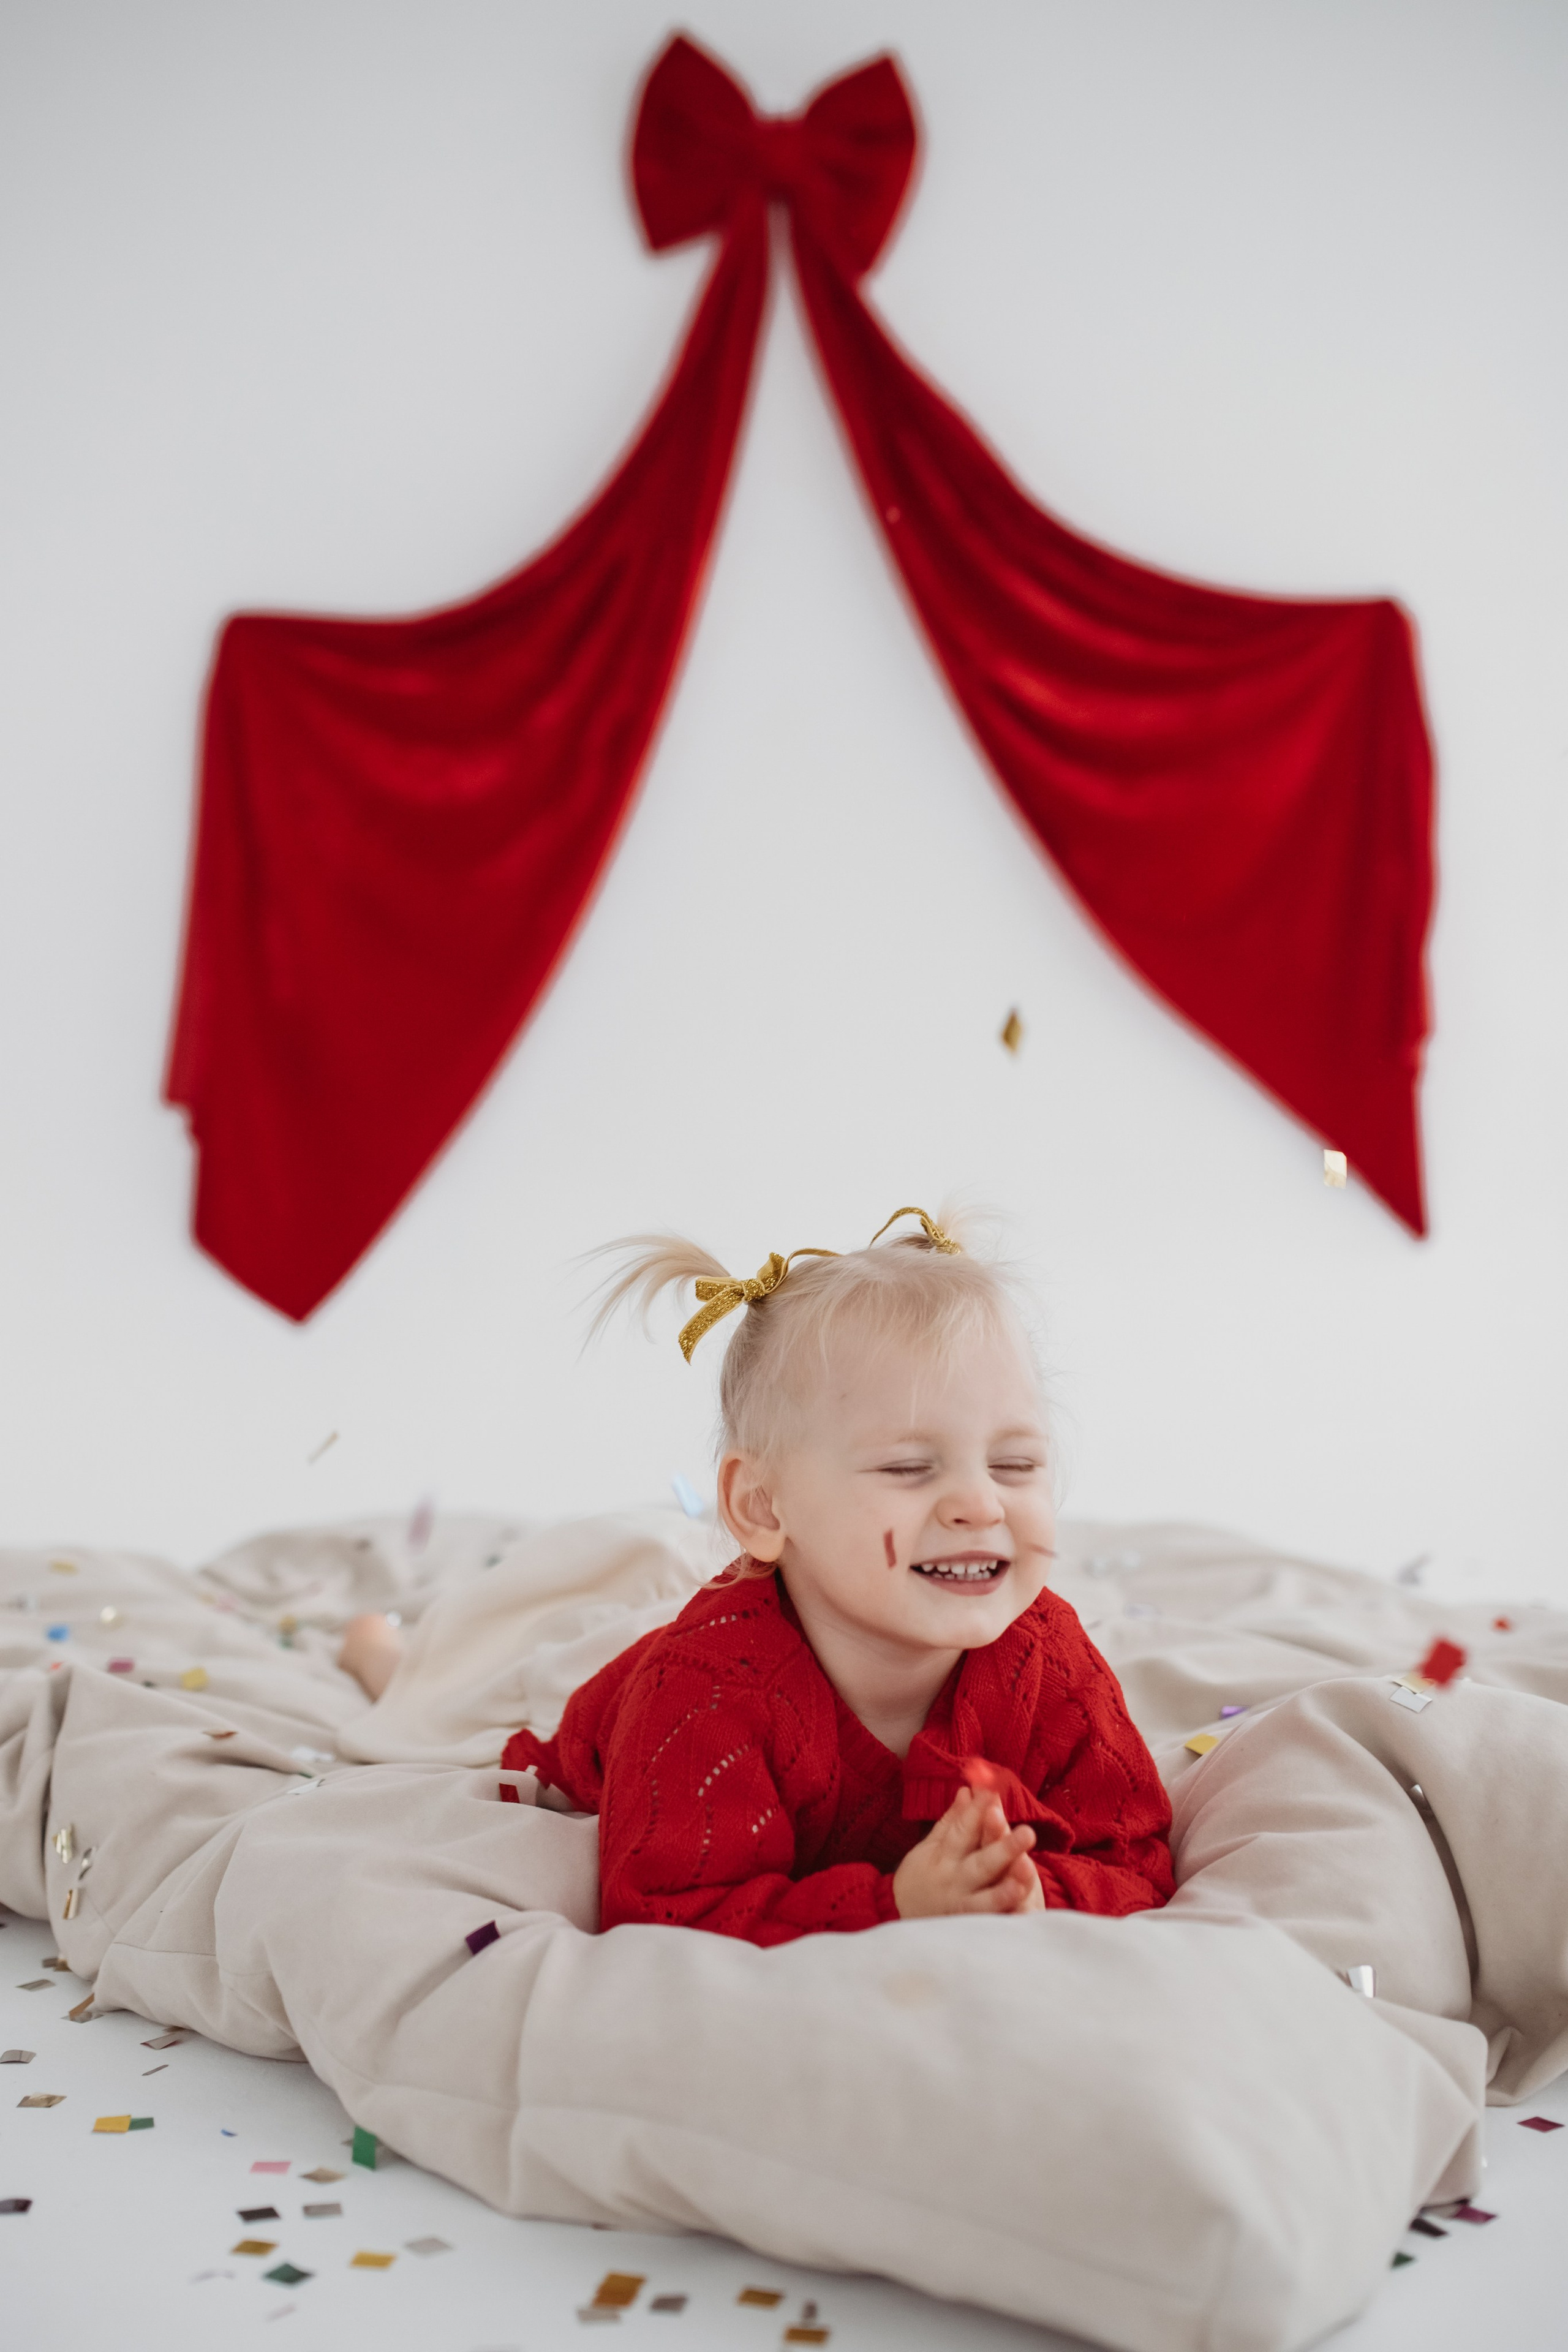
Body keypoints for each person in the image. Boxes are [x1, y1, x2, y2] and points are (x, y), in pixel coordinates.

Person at [491, 1205, 1174, 1945]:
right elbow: (668, 1914)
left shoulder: (1048, 1655)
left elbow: (1135, 1859)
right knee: (479, 1677)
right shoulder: (702, 1696)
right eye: (909, 1468)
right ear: (762, 1507)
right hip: (627, 1728)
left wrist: (1034, 1893)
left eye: (1015, 1465)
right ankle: (381, 1655)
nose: (981, 1504)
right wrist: (894, 1906)